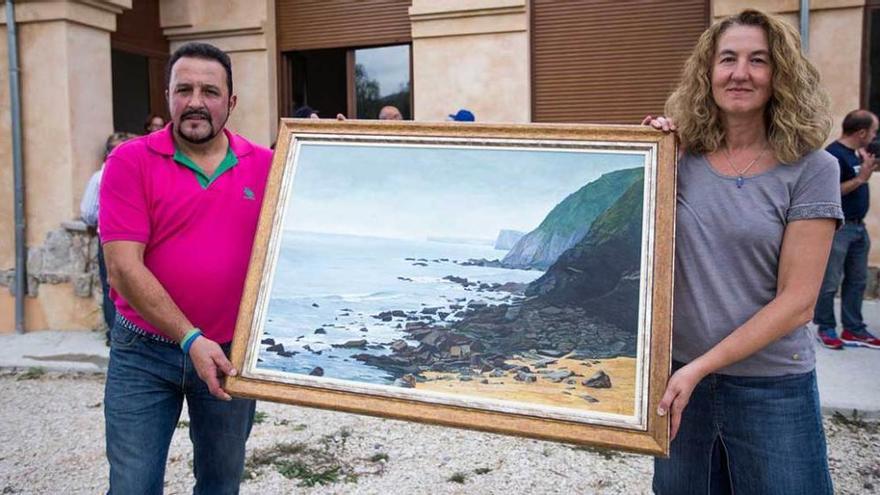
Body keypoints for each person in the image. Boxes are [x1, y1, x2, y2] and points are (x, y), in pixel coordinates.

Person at [643, 9, 841, 494]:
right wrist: (643, 153)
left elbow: (798, 303)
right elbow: (642, 252)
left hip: (770, 388)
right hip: (678, 382)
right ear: (707, 73)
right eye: (727, 59)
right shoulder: (677, 158)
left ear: (781, 75)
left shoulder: (813, 168)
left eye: (758, 60)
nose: (740, 73)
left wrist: (698, 368)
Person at [100, 42, 272, 494]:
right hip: (143, 352)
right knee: (133, 485)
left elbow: (307, 229)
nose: (196, 101)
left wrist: (334, 151)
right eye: (184, 89)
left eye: (210, 91)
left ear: (230, 102)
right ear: (168, 96)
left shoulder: (267, 166)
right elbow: (122, 268)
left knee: (221, 483)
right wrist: (190, 338)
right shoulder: (130, 161)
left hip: (230, 355)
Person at [814, 110, 880, 349]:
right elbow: (831, 191)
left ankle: (854, 329)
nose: (874, 137)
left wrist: (865, 167)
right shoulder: (833, 155)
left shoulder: (855, 154)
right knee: (830, 281)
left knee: (858, 281)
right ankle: (826, 327)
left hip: (858, 228)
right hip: (839, 229)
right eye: (873, 132)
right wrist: (862, 178)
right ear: (861, 132)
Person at [80, 131, 138, 344]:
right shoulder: (101, 177)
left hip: (122, 240)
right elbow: (88, 212)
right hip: (114, 241)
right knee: (118, 286)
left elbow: (87, 213)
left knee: (117, 286)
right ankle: (118, 332)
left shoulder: (102, 176)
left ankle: (120, 333)